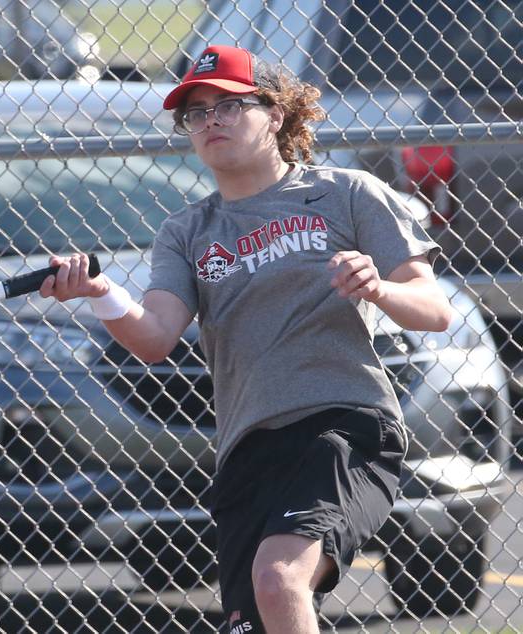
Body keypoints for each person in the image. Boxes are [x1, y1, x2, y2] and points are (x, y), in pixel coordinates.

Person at [39, 45, 452, 634]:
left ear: (276, 115)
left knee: (279, 577)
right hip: (247, 450)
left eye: (227, 107)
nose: (210, 123)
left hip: (344, 425)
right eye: (196, 113)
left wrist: (379, 289)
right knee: (255, 616)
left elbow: (434, 311)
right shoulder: (188, 232)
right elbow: (154, 337)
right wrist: (100, 292)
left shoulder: (347, 193)